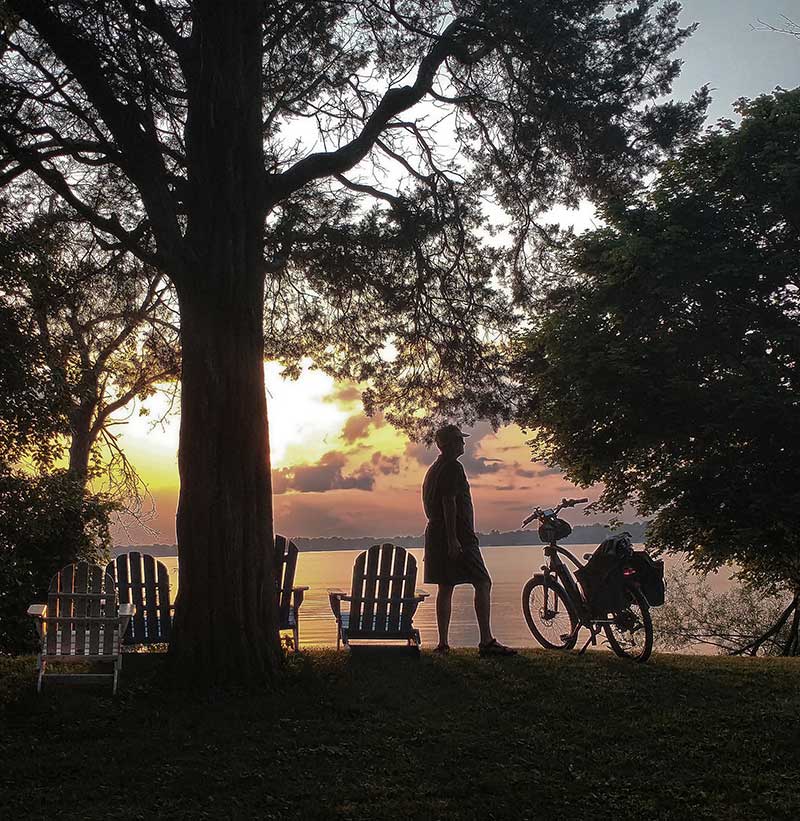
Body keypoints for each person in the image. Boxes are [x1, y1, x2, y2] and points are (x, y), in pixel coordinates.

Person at [422, 424, 517, 657]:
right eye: (459, 440)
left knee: (445, 587)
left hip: (435, 535)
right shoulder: (453, 467)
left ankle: (443, 643)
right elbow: (449, 502)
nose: (463, 444)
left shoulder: (434, 469)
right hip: (460, 536)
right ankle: (486, 641)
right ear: (450, 444)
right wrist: (454, 539)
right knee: (483, 582)